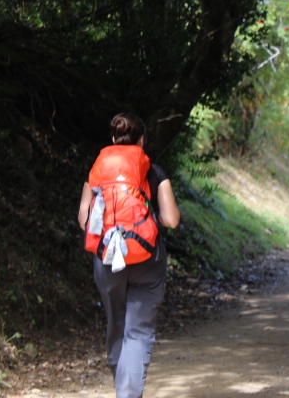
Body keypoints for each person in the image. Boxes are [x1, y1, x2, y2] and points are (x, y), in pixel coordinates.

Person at [78, 113, 180, 398]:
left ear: (113, 139)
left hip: (107, 259)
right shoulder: (154, 171)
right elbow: (171, 219)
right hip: (147, 258)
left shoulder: (97, 171)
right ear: (142, 141)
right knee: (138, 331)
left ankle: (124, 388)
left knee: (117, 324)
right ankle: (128, 393)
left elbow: (84, 220)